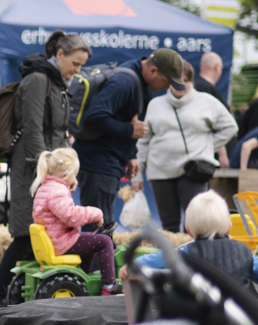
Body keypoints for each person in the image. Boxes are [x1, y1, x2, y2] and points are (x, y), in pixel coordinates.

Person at [0, 30, 91, 308]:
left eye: (82, 65)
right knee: (26, 234)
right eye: (75, 63)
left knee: (44, 237)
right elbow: (32, 129)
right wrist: (49, 172)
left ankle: (22, 298)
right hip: (31, 171)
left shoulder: (58, 83)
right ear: (60, 54)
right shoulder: (37, 80)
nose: (78, 70)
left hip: (49, 173)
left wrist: (67, 171)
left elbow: (60, 133)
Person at [122, 191, 258, 310]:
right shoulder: (245, 255)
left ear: (188, 230)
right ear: (229, 227)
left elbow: (151, 260)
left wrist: (129, 267)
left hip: (195, 324)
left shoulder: (186, 253)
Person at [74, 48, 184, 229]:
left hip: (108, 162)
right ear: (153, 70)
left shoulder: (143, 81)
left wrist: (131, 154)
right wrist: (130, 130)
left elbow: (128, 118)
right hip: (98, 163)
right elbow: (95, 116)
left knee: (104, 228)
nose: (166, 88)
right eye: (166, 81)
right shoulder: (124, 82)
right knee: (97, 231)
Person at [135, 59, 237, 233]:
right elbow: (143, 141)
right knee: (169, 226)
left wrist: (207, 147)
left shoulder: (207, 101)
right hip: (160, 171)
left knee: (196, 223)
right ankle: (170, 252)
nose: (180, 85)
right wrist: (137, 175)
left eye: (185, 81)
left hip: (193, 171)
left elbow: (230, 127)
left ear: (191, 81)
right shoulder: (155, 104)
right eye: (175, 81)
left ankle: (193, 251)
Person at [32, 148, 119, 296]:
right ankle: (109, 285)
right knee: (104, 241)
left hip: (54, 240)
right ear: (66, 175)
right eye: (74, 174)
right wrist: (96, 214)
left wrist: (68, 183)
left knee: (90, 239)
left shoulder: (45, 188)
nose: (75, 178)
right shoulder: (57, 191)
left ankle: (83, 275)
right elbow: (71, 217)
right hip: (61, 243)